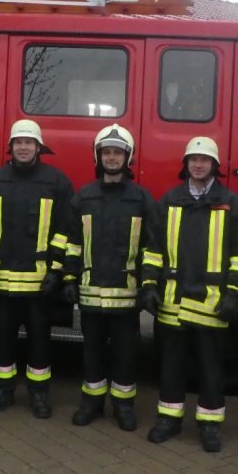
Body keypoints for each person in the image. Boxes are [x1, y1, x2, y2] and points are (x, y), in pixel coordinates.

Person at [140, 136, 238, 452]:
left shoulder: (231, 203)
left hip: (213, 303)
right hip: (173, 300)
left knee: (211, 367)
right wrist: (149, 285)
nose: (198, 165)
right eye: (193, 160)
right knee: (171, 365)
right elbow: (154, 249)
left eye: (204, 160)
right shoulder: (169, 201)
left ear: (214, 165)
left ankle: (210, 426)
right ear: (185, 165)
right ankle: (169, 420)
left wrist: (234, 295)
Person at [0, 119, 73, 419]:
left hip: (39, 284)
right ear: (11, 147)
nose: (24, 147)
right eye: (18, 142)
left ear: (39, 147)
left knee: (40, 342)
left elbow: (65, 231)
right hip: (3, 282)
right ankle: (1, 391)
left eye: (29, 142)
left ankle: (39, 394)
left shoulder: (57, 182)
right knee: (2, 340)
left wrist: (56, 272)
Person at [64, 125, 158, 431]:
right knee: (90, 352)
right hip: (91, 292)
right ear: (98, 156)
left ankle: (123, 405)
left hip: (126, 294)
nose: (112, 158)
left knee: (125, 354)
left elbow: (151, 246)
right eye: (107, 152)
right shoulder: (84, 197)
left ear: (127, 157)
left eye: (118, 153)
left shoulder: (141, 199)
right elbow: (73, 243)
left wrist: (148, 285)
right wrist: (68, 278)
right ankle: (91, 403)